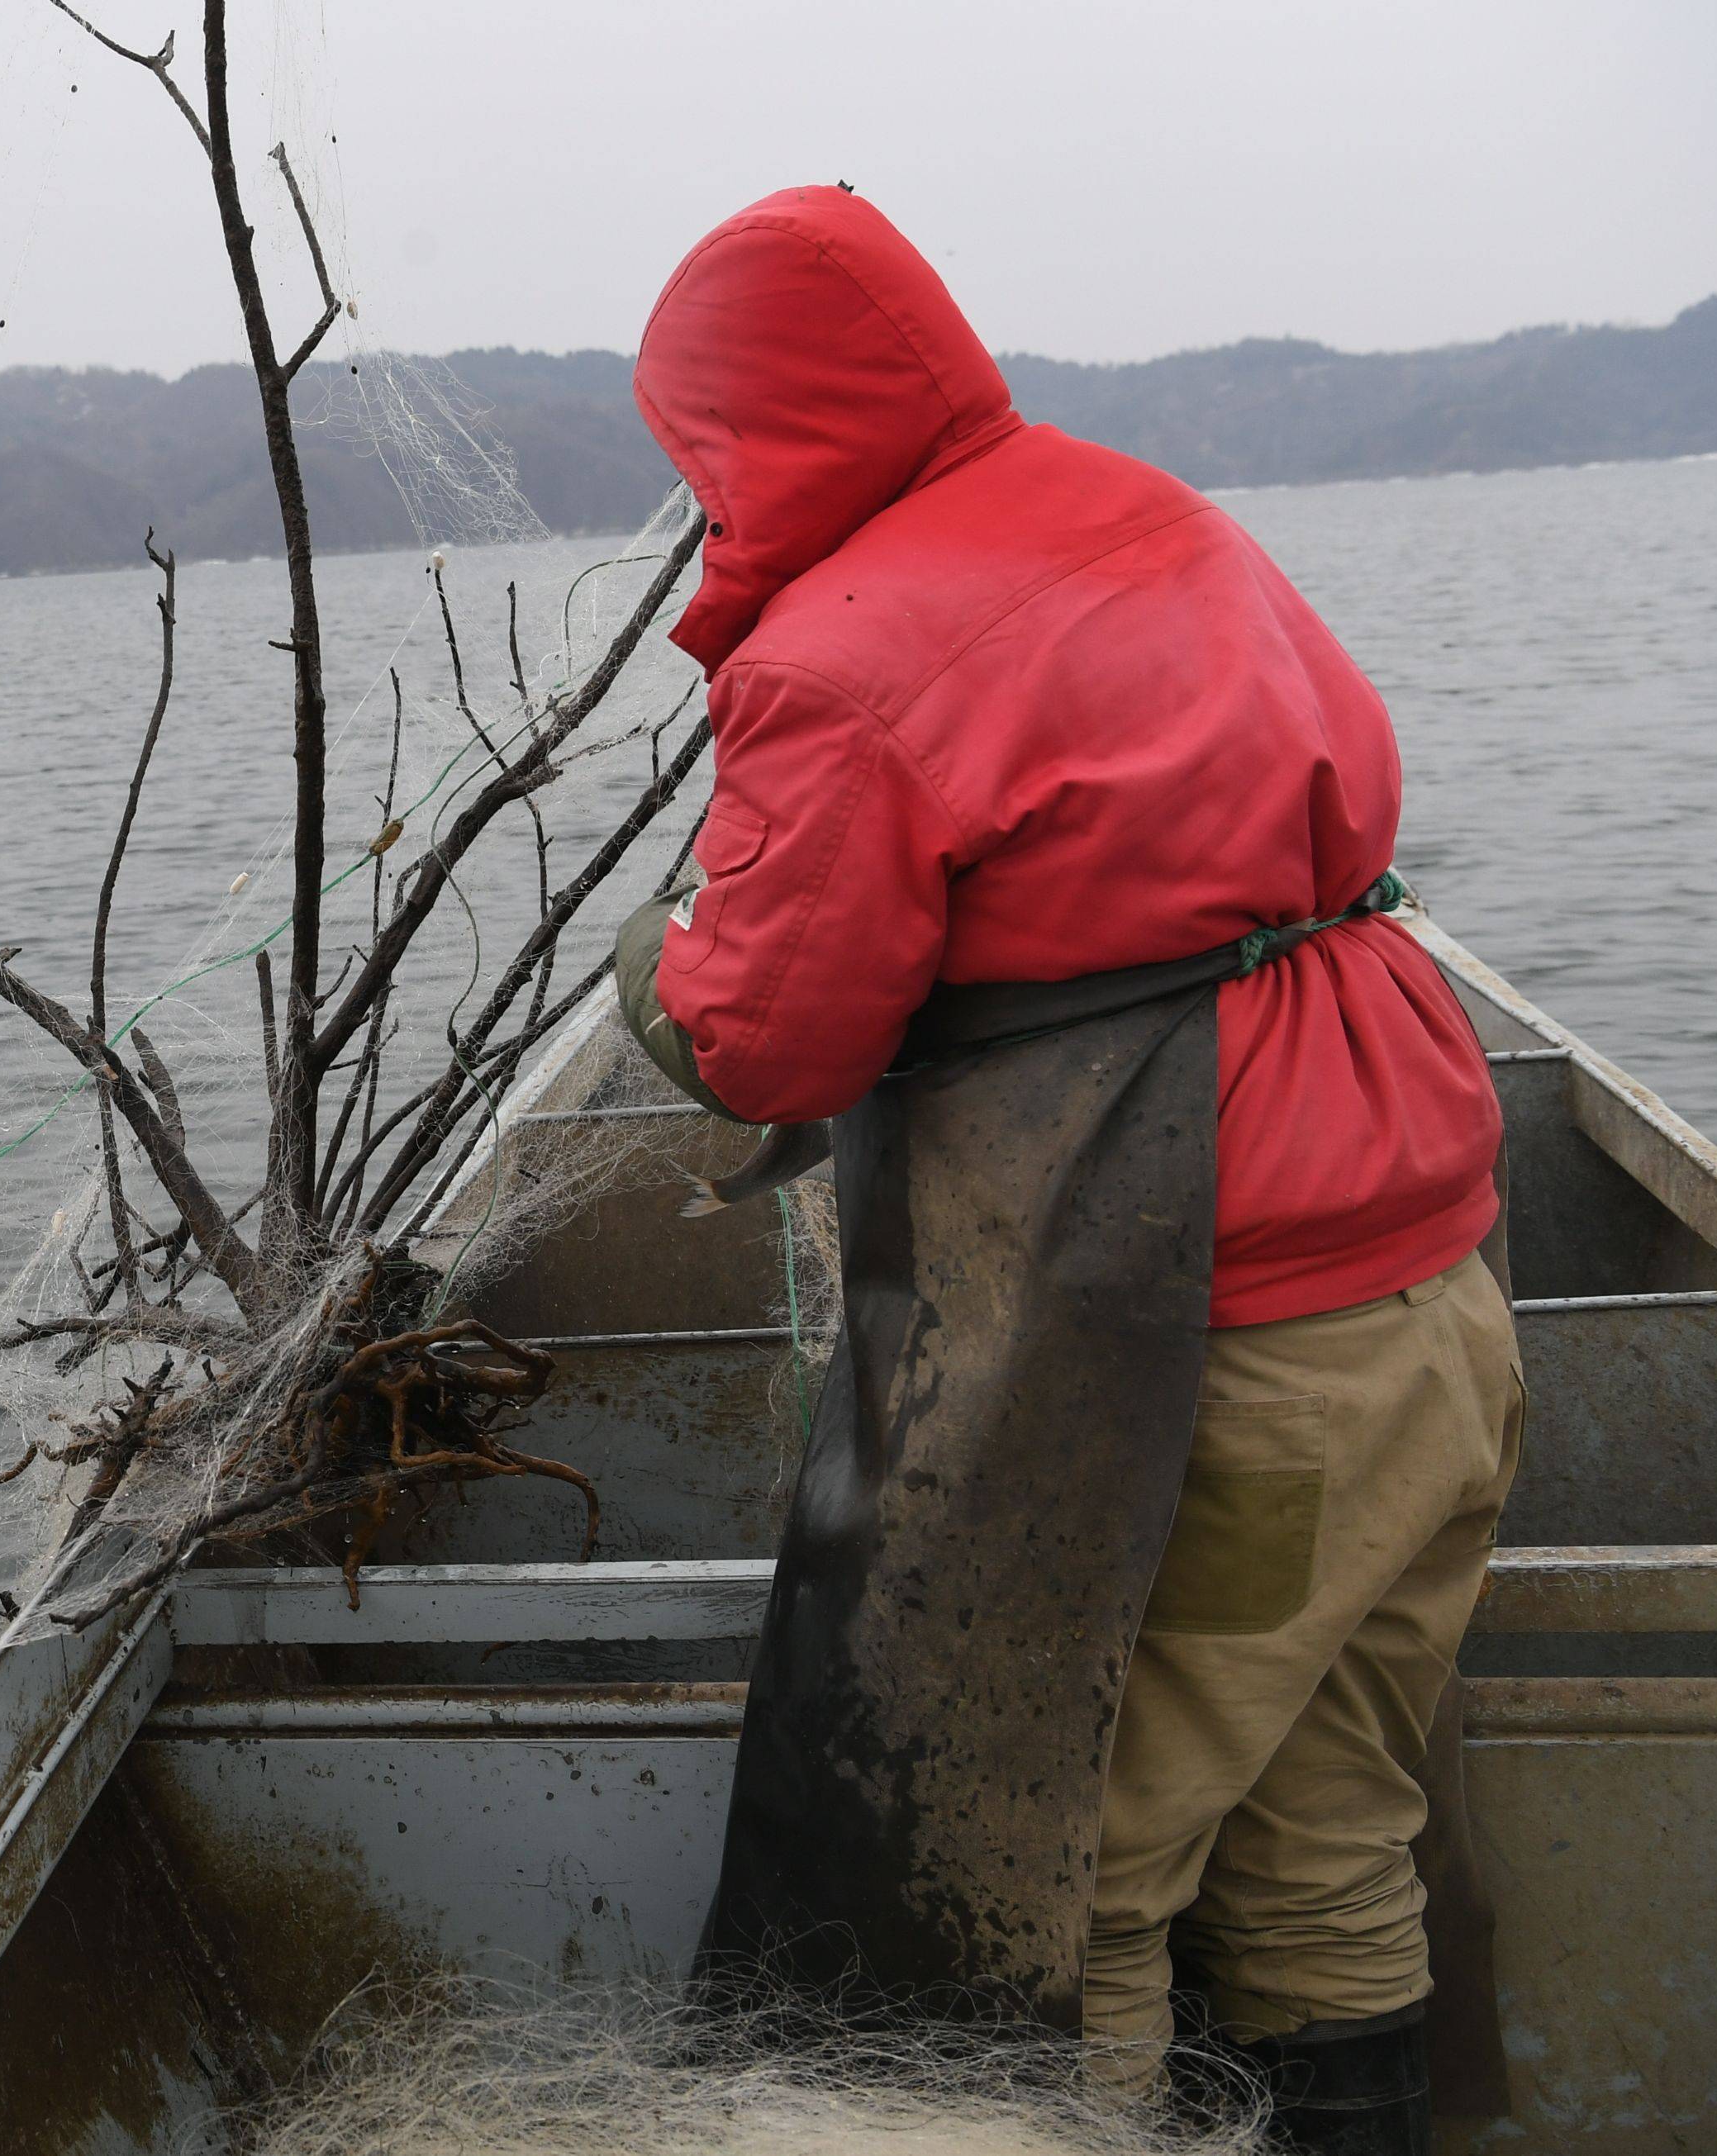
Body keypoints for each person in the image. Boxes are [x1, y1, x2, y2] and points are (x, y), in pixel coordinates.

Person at [611, 186, 1515, 2152]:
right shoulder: (1152, 506)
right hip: (1435, 1290)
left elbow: (770, 1036)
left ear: (741, 435)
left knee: (1055, 1895)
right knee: (1329, 1846)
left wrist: (657, 963)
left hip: (1227, 1356)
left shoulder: (841, 656)